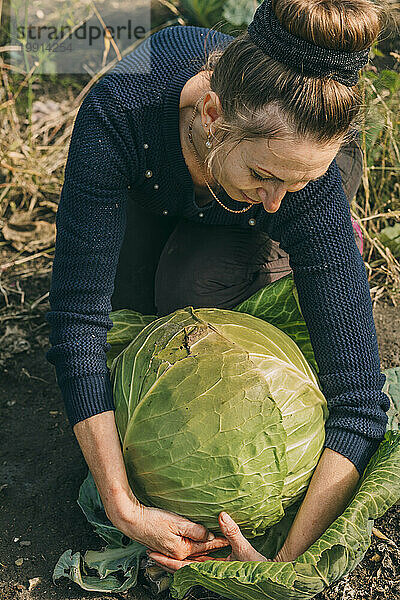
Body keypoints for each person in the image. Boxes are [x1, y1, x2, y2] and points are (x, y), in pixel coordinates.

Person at [46, 0, 390, 570]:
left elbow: (360, 404)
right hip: (160, 173)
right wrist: (125, 507)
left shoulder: (303, 179)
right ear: (210, 110)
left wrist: (281, 562)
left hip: (250, 179)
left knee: (189, 293)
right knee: (122, 315)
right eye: (267, 177)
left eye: (298, 184)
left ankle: (317, 249)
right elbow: (76, 323)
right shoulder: (119, 109)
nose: (282, 196)